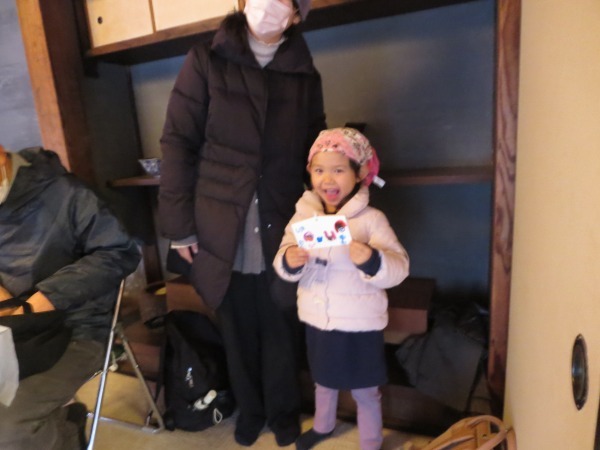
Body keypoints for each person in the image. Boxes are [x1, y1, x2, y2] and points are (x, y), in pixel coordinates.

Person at [158, 0, 326, 446]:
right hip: (220, 224)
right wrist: (179, 227)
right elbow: (177, 141)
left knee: (281, 323)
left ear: (296, 14)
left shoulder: (304, 73)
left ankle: (284, 413)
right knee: (236, 328)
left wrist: (339, 182)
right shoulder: (206, 60)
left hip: (281, 220)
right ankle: (250, 413)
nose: (269, 5)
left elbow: (315, 148)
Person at [273, 128, 410, 450]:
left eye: (338, 170)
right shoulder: (302, 216)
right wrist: (289, 261)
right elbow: (282, 256)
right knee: (323, 381)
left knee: (366, 389)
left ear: (359, 173)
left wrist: (372, 260)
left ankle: (371, 443)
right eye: (319, 170)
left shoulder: (371, 219)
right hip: (318, 319)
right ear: (309, 173)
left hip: (360, 323)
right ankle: (323, 425)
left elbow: (400, 267)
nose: (327, 180)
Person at [0, 145, 141, 450]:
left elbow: (120, 252)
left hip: (77, 329)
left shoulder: (66, 193)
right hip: (14, 330)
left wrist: (43, 299)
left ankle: (66, 435)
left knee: (9, 429)